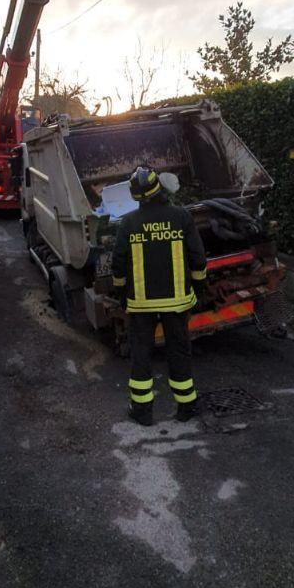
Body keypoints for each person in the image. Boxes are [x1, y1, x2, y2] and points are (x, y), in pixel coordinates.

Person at [111, 167, 207, 425]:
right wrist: (198, 289)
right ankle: (186, 407)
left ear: (135, 196)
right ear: (159, 188)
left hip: (140, 304)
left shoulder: (128, 223)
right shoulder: (181, 217)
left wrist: (121, 293)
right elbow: (198, 259)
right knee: (178, 351)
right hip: (177, 303)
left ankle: (142, 411)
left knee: (141, 354)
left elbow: (118, 265)